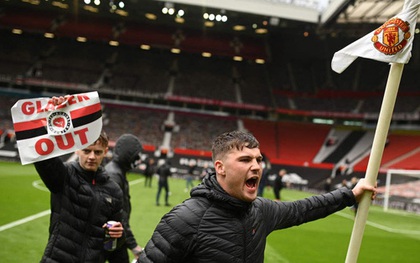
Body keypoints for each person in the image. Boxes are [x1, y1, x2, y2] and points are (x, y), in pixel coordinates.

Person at [137, 130, 377, 262]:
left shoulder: (261, 211)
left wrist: (350, 195)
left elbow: (303, 209)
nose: (257, 166)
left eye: (259, 160)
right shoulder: (185, 218)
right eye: (245, 160)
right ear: (220, 167)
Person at [34, 96, 124, 263]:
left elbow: (114, 246)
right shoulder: (64, 176)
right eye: (86, 151)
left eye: (97, 152)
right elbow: (43, 155)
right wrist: (49, 116)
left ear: (105, 152)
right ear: (77, 150)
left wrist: (119, 236)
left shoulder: (114, 190)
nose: (91, 157)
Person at [105, 134, 143, 262]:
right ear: (127, 154)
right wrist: (133, 246)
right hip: (110, 235)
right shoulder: (114, 175)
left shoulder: (117, 172)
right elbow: (119, 215)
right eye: (135, 155)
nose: (137, 159)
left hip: (115, 234)